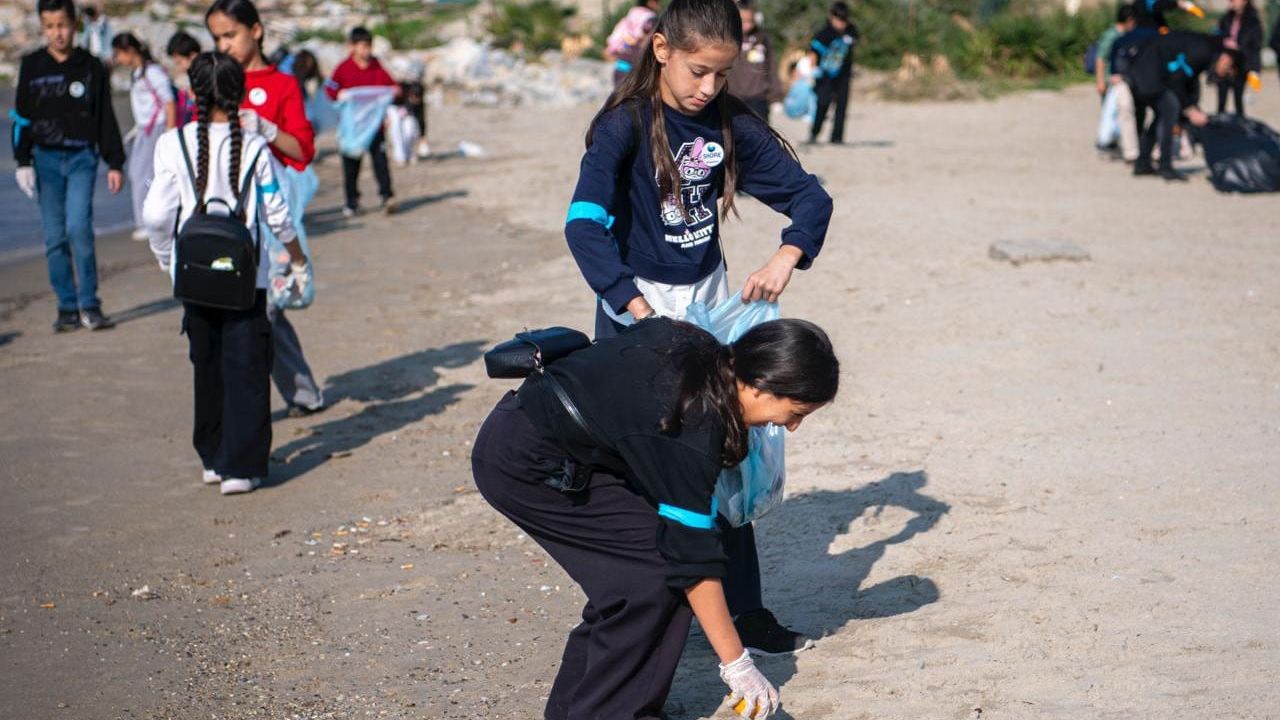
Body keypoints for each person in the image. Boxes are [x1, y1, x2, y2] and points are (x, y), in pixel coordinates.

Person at [564, 0, 834, 658]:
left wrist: (787, 255)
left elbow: (810, 196)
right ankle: (644, 621)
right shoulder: (623, 126)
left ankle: (745, 612)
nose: (709, 88)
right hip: (637, 311)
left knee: (724, 454)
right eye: (698, 71)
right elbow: (583, 224)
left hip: (708, 303)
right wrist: (634, 309)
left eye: (723, 73)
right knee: (640, 472)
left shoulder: (726, 120)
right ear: (660, 50)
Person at [473, 316, 839, 720]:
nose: (793, 426)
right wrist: (737, 665)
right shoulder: (695, 424)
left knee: (633, 580)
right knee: (657, 576)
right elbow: (694, 561)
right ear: (762, 384)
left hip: (561, 445)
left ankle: (579, 709)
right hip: (525, 464)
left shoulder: (700, 346)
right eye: (796, 411)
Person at [142, 51, 308, 495]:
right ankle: (241, 467)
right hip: (244, 280)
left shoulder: (170, 144)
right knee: (247, 370)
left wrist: (167, 261)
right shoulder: (254, 148)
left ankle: (213, 458)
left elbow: (157, 215)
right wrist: (296, 256)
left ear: (194, 93)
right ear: (238, 94)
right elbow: (276, 212)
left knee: (206, 367)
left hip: (194, 278)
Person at [207, 0, 326, 417]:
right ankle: (301, 391)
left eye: (229, 35)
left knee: (267, 308)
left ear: (255, 31)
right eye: (216, 37)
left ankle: (273, 397)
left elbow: (304, 151)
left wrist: (270, 130)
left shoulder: (282, 85)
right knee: (245, 309)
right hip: (223, 216)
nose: (223, 44)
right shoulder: (215, 81)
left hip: (271, 215)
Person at [12, 0, 124, 332]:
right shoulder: (32, 65)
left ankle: (90, 303)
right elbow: (21, 116)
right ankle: (66, 307)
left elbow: (105, 115)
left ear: (74, 25)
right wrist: (22, 161)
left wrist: (114, 161)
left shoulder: (91, 66)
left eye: (62, 25)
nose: (56, 33)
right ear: (42, 27)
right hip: (44, 160)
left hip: (82, 158)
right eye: (49, 26)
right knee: (54, 237)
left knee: (79, 228)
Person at [1124, 30, 1225, 180]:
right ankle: (1165, 166)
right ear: (1225, 56)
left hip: (1143, 71)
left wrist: (1191, 106)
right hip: (1148, 73)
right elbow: (1177, 79)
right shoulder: (1202, 50)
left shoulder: (1200, 46)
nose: (1227, 72)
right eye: (1230, 67)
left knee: (1161, 114)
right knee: (1170, 110)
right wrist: (1190, 110)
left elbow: (1185, 80)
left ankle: (1143, 163)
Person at [324, 26, 400, 217]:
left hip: (374, 127)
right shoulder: (343, 68)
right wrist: (340, 95)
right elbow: (330, 89)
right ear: (352, 47)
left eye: (368, 46)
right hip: (352, 129)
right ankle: (352, 202)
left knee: (381, 162)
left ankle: (387, 196)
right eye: (362, 46)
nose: (366, 50)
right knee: (351, 167)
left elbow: (392, 86)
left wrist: (394, 91)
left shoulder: (377, 66)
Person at [112, 32, 176, 242]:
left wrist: (169, 130)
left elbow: (169, 101)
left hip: (156, 129)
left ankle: (148, 222)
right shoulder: (138, 73)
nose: (117, 58)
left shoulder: (152, 72)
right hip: (145, 130)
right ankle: (148, 220)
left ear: (130, 51)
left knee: (142, 175)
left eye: (118, 53)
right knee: (140, 174)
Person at [807, 1, 859, 145]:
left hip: (844, 76)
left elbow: (854, 44)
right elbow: (813, 52)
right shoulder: (824, 33)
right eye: (838, 19)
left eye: (844, 20)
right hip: (825, 77)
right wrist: (811, 71)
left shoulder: (851, 31)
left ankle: (837, 137)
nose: (841, 23)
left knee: (841, 107)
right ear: (831, 17)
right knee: (823, 104)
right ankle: (814, 133)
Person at [1095, 4, 1139, 161]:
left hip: (1114, 80)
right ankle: (1105, 144)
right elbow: (1100, 59)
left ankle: (1112, 143)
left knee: (1115, 113)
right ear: (1129, 20)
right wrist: (1100, 81)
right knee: (1111, 113)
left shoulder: (1121, 35)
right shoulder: (1112, 36)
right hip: (1110, 81)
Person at [727, 0, 783, 121]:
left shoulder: (762, 38)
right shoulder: (726, 38)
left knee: (760, 132)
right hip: (732, 97)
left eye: (750, 21)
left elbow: (772, 68)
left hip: (758, 97)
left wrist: (776, 97)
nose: (747, 25)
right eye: (743, 21)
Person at [1212, 0, 1264, 117]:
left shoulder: (1253, 22)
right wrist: (1224, 43)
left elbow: (1255, 45)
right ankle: (1219, 126)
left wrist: (1239, 47)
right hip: (1224, 62)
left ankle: (1240, 126)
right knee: (1221, 99)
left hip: (1241, 63)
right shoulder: (1226, 18)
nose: (1231, 2)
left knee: (1238, 98)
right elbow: (1217, 36)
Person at [607, 0, 662, 86]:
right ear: (650, 2)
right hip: (634, 65)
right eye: (657, 2)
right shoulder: (649, 17)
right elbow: (645, 29)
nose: (659, 4)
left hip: (622, 61)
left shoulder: (633, 13)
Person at [166, 31, 202, 125]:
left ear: (192, 55)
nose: (177, 65)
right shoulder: (190, 77)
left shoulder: (205, 77)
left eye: (179, 62)